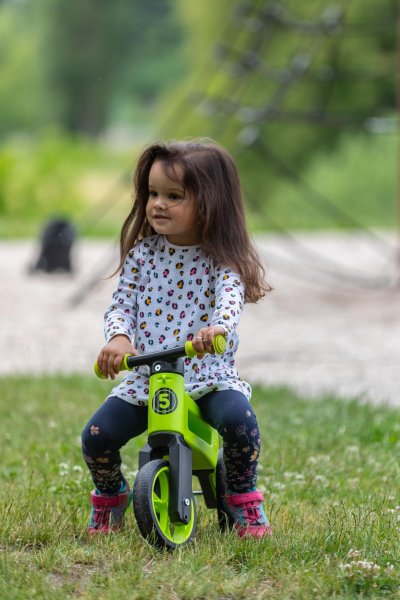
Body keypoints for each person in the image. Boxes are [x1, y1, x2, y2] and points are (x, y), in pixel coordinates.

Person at [82, 139, 272, 538]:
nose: (158, 204)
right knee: (97, 436)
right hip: (148, 377)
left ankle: (242, 496)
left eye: (174, 196)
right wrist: (119, 338)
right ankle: (111, 495)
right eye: (153, 193)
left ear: (210, 202)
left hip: (207, 375)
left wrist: (218, 329)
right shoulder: (143, 255)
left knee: (239, 422)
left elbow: (230, 298)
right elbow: (121, 305)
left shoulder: (221, 260)